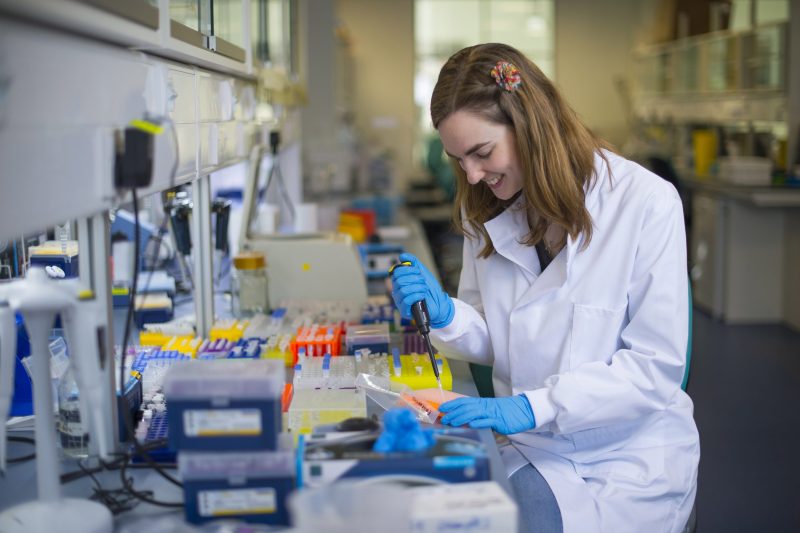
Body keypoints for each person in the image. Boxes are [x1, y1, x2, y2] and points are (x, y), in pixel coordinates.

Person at [391, 43, 699, 533]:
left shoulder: (644, 203)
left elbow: (654, 369)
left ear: (528, 123)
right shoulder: (486, 206)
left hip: (627, 458)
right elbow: (499, 335)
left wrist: (531, 406)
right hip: (534, 447)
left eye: (482, 152)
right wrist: (448, 314)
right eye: (458, 159)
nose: (471, 175)